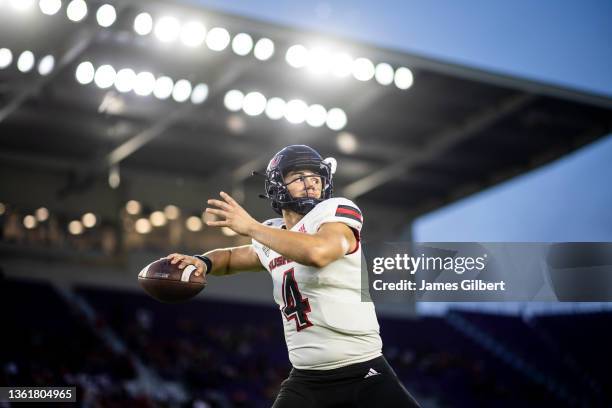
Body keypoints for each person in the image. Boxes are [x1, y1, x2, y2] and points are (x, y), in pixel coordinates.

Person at [166, 145, 420, 408]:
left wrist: (251, 227)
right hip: (307, 381)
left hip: (365, 372)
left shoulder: (336, 213)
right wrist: (203, 262)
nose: (310, 184)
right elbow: (230, 257)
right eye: (299, 177)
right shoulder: (272, 235)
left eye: (315, 178)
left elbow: (318, 252)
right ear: (277, 185)